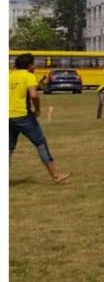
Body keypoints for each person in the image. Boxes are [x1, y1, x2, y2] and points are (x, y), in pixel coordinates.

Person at [9, 55, 69, 185]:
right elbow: (34, 96)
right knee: (40, 143)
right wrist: (37, 110)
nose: (35, 66)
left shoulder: (9, 76)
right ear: (29, 65)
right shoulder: (29, 76)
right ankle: (55, 176)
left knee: (9, 147)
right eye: (33, 64)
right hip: (23, 115)